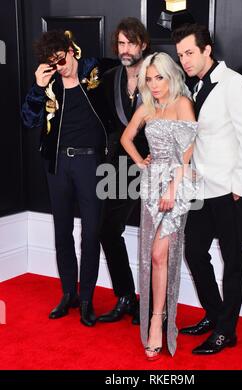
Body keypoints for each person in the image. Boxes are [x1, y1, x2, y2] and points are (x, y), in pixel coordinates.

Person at [172, 23, 242, 354]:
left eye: (190, 53)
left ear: (208, 49)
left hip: (228, 189)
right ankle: (215, 314)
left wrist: (240, 185)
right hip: (201, 188)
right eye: (181, 55)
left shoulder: (234, 84)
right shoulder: (192, 89)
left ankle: (227, 331)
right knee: (194, 251)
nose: (185, 61)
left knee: (233, 259)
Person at [22, 30, 107, 326]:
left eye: (62, 59)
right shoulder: (48, 86)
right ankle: (68, 293)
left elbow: (127, 76)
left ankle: (87, 301)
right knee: (62, 232)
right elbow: (28, 120)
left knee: (91, 233)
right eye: (54, 64)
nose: (61, 67)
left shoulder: (95, 71)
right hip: (57, 165)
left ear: (72, 51)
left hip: (90, 163)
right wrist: (37, 86)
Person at [121, 52, 199, 360]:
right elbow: (127, 138)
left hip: (176, 184)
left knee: (158, 253)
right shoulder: (147, 107)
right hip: (152, 186)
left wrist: (172, 187)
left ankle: (157, 320)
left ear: (171, 76)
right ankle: (158, 316)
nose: (154, 85)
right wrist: (141, 161)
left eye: (159, 78)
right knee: (155, 259)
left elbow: (188, 154)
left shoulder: (183, 104)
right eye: (149, 79)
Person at [97, 17, 150, 325]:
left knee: (156, 237)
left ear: (142, 44)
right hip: (121, 166)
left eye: (131, 43)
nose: (125, 49)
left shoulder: (158, 75)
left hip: (156, 164)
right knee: (107, 230)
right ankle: (126, 296)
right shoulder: (110, 78)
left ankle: (154, 304)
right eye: (121, 43)